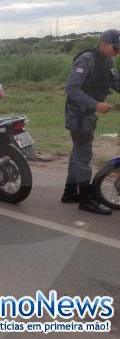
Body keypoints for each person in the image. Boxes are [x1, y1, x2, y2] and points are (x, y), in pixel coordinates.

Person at [61, 29, 120, 215]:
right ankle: (86, 199)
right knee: (83, 153)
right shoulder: (87, 59)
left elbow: (115, 82)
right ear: (103, 43)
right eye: (115, 48)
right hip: (78, 114)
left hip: (88, 113)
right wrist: (96, 105)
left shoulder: (108, 61)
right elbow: (71, 89)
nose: (117, 52)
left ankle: (70, 192)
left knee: (78, 151)